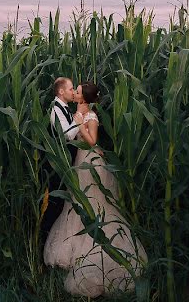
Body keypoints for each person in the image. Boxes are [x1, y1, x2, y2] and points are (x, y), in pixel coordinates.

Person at [43, 82, 147, 297]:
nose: (75, 93)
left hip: (89, 161)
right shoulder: (75, 111)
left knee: (95, 201)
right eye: (74, 90)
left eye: (78, 91)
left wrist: (80, 123)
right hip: (79, 161)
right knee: (77, 202)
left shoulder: (90, 115)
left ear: (84, 97)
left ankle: (101, 249)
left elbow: (92, 141)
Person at [40, 77, 79, 241]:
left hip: (64, 163)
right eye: (71, 89)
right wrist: (77, 121)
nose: (73, 92)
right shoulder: (56, 109)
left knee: (60, 203)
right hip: (57, 165)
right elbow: (67, 136)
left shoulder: (65, 108)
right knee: (55, 204)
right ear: (61, 91)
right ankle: (45, 241)